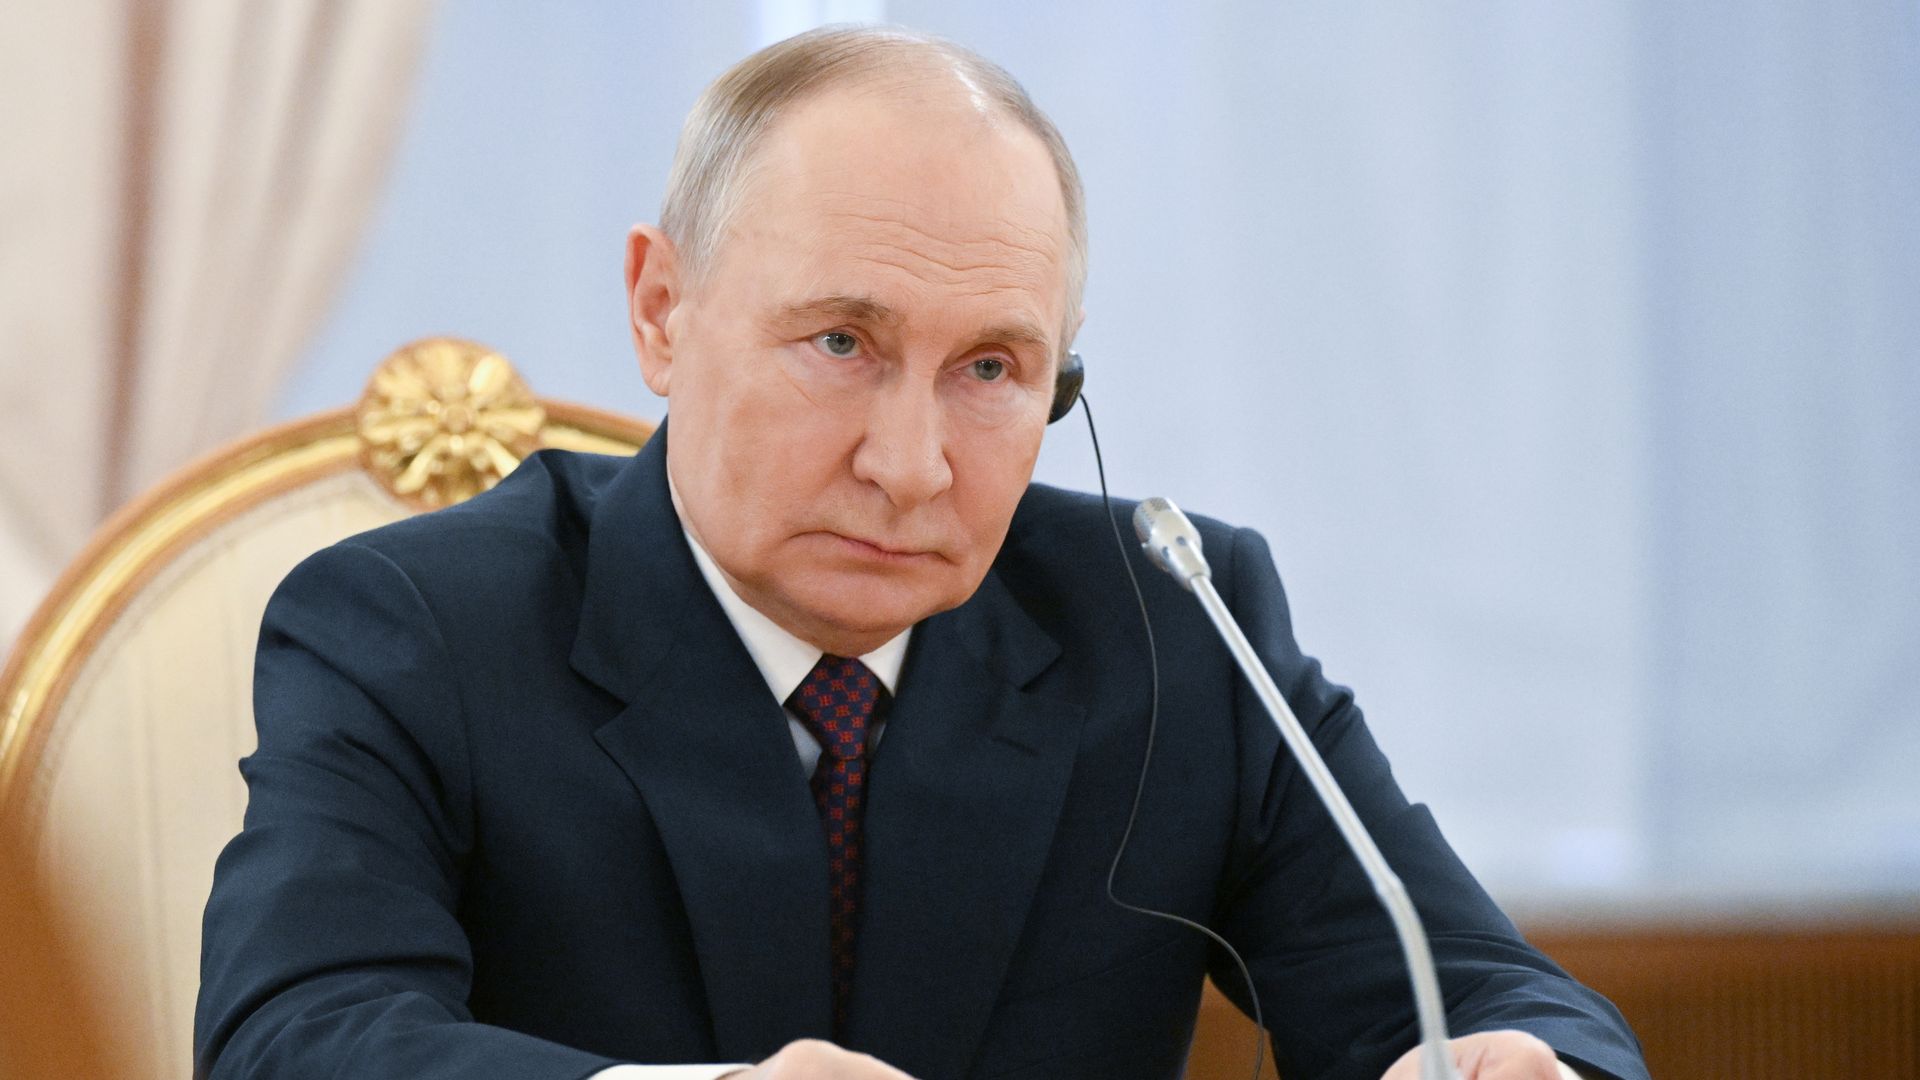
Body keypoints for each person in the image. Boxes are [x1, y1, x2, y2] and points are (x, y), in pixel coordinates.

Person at [195, 25, 1648, 1080]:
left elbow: (1492, 995)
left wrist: (1517, 1069)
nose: (911, 463)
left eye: (994, 370)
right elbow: (295, 1039)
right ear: (661, 311)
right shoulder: (411, 627)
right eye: (842, 342)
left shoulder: (1173, 629)